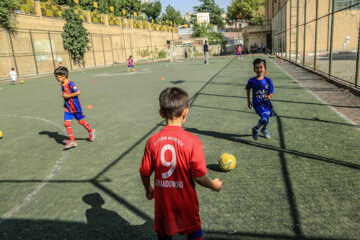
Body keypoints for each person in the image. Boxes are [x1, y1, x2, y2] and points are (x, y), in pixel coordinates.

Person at [139, 87, 223, 240]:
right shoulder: (193, 141)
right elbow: (198, 176)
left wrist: (148, 188)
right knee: (194, 233)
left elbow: (144, 173)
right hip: (187, 204)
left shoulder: (152, 141)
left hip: (163, 206)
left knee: (164, 236)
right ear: (186, 112)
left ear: (161, 113)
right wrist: (213, 185)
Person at [54, 66, 95, 149]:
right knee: (67, 123)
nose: (56, 78)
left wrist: (67, 96)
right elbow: (65, 95)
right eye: (56, 76)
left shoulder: (70, 83)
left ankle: (91, 131)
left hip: (75, 106)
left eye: (57, 77)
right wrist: (65, 101)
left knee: (80, 121)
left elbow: (78, 92)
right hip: (68, 107)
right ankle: (72, 141)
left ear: (64, 76)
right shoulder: (62, 84)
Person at [245, 59, 274, 140]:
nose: (259, 69)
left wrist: (269, 96)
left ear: (265, 68)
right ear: (254, 69)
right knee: (264, 118)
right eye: (257, 68)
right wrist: (248, 100)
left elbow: (271, 92)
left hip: (266, 104)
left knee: (266, 119)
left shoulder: (268, 81)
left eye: (261, 67)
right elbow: (248, 89)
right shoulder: (252, 81)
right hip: (257, 104)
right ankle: (256, 128)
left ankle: (264, 129)